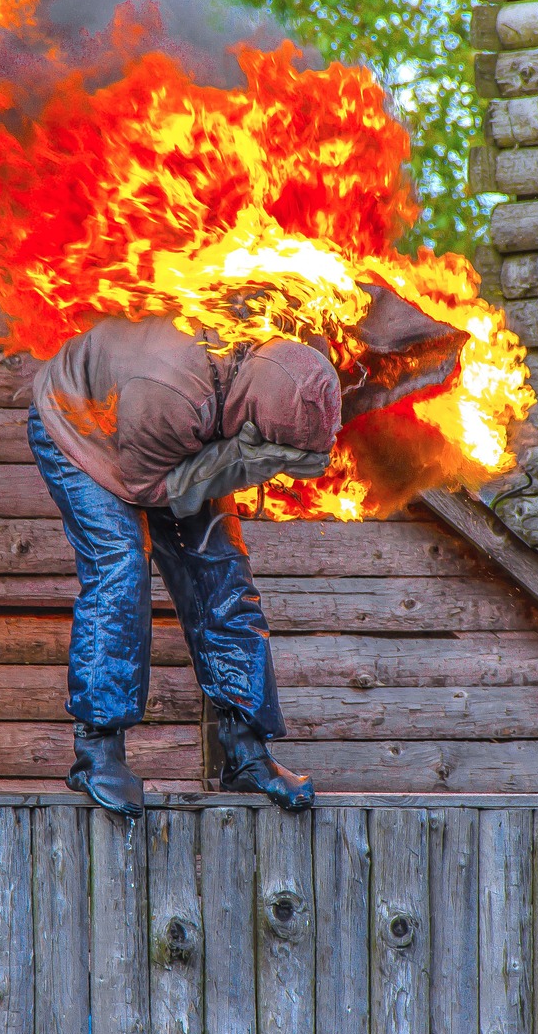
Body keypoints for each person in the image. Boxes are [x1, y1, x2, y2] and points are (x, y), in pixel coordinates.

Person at [28, 313, 340, 817]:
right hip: (87, 430)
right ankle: (98, 750)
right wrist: (252, 460)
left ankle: (246, 752)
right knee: (121, 567)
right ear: (255, 422)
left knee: (222, 572)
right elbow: (148, 491)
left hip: (177, 433)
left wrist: (260, 454)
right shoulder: (171, 396)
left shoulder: (283, 346)